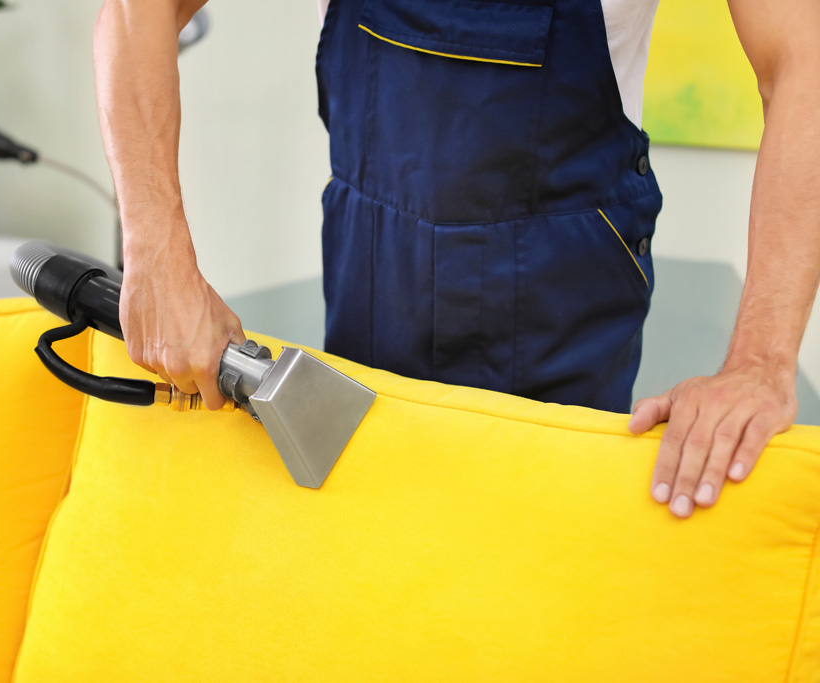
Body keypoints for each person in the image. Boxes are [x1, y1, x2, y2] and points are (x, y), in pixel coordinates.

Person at [92, 0, 820, 519]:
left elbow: (806, 62)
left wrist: (759, 362)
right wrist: (156, 256)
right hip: (372, 311)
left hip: (563, 327)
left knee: (537, 611)